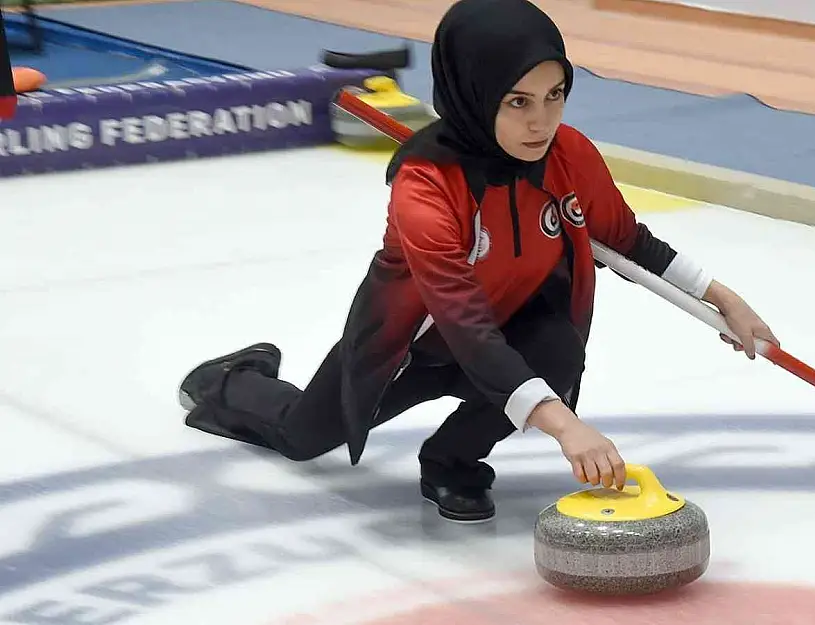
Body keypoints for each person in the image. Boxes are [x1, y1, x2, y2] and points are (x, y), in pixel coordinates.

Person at [177, 0, 779, 523]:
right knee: (303, 439)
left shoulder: (570, 155)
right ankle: (231, 379)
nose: (541, 121)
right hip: (413, 344)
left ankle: (451, 461)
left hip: (511, 331)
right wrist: (564, 426)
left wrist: (722, 297)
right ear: (473, 94)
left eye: (554, 96)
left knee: (556, 355)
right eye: (517, 102)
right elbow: (463, 322)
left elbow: (625, 240)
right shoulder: (426, 187)